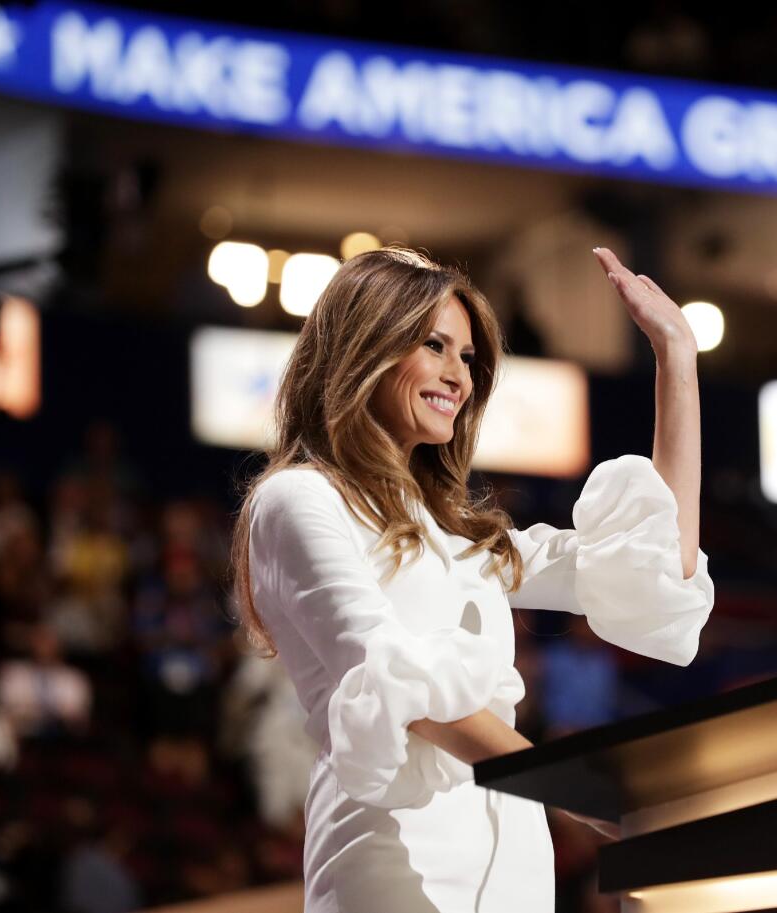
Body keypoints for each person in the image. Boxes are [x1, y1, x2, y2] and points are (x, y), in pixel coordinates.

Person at [230, 246, 713, 912]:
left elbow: (659, 568)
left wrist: (676, 362)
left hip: (514, 863)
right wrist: (587, 791)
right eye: (435, 345)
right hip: (392, 862)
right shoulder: (297, 500)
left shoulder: (460, 534)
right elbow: (401, 682)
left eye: (467, 357)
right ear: (366, 345)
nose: (459, 374)